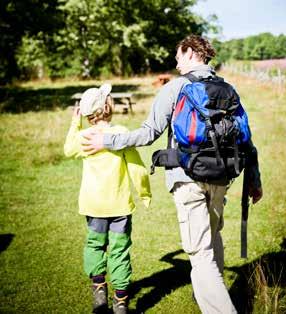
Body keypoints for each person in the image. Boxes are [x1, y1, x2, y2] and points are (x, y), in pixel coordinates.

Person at [81, 35, 263, 314]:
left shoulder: (176, 87)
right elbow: (246, 139)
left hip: (186, 178)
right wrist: (254, 178)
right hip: (221, 179)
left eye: (178, 55)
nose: (175, 61)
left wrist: (107, 141)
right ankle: (209, 294)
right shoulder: (228, 88)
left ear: (191, 52)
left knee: (200, 254)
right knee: (212, 241)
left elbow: (147, 133)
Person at [64, 83, 151, 314]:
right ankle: (121, 301)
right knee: (120, 251)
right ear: (107, 106)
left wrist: (76, 123)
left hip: (93, 206)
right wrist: (145, 194)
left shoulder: (83, 136)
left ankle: (99, 288)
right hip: (120, 206)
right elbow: (137, 169)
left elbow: (67, 149)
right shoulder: (121, 133)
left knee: (95, 245)